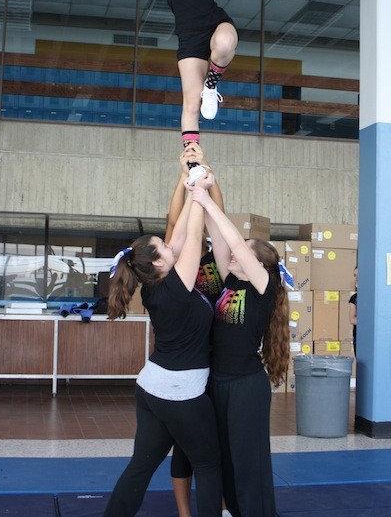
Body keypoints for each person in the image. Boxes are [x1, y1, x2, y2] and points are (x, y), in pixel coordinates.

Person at [103, 170, 222, 517]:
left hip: (151, 387)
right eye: (165, 247)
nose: (172, 246)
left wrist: (190, 189)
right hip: (179, 392)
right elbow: (194, 233)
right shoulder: (176, 285)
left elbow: (182, 232)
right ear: (158, 261)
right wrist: (200, 191)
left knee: (140, 467)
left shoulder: (156, 284)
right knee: (210, 465)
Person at [190, 182, 290, 517]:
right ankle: (233, 510)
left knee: (249, 462)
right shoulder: (231, 280)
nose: (233, 255)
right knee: (226, 460)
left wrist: (206, 199)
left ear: (256, 264)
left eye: (242, 253)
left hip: (246, 387)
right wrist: (205, 189)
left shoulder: (264, 287)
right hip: (219, 383)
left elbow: (233, 241)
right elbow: (220, 239)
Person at [165, 144, 230, 517]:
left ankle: (217, 503)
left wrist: (205, 171)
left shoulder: (217, 258)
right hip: (187, 360)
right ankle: (185, 512)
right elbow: (174, 221)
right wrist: (183, 176)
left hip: (215, 359)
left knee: (212, 441)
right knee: (183, 444)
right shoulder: (177, 259)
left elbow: (218, 210)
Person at [161, 0, 238, 152]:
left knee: (225, 44)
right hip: (190, 36)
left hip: (215, 23)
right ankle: (192, 158)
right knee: (192, 103)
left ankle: (212, 85)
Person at [349, 265, 358, 354]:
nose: (356, 278)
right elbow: (352, 319)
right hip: (358, 337)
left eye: (358, 275)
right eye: (355, 275)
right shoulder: (354, 298)